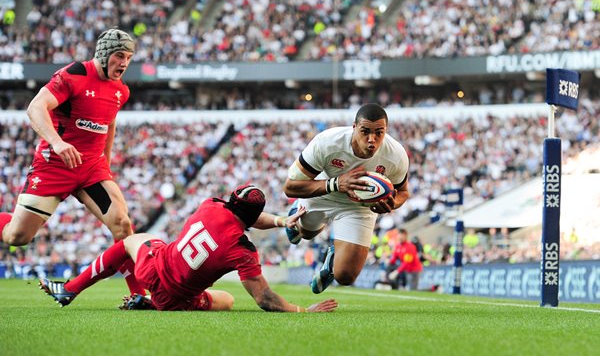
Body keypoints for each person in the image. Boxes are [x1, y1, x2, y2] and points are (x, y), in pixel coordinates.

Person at [0, 28, 145, 295]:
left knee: (123, 224)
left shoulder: (121, 91)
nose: (124, 63)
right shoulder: (73, 75)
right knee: (17, 237)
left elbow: (108, 124)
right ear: (104, 54)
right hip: (54, 165)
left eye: (129, 57)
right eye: (119, 56)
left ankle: (138, 295)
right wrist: (57, 142)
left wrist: (106, 165)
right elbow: (35, 108)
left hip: (91, 168)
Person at [40, 185, 338, 313]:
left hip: (154, 266)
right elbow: (265, 298)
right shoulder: (242, 249)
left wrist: (280, 220)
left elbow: (245, 216)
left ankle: (73, 288)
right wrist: (301, 310)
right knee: (229, 301)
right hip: (176, 299)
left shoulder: (210, 204)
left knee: (130, 240)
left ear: (231, 201)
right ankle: (146, 301)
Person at [283, 103, 409, 294]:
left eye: (379, 133)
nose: (371, 140)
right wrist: (335, 184)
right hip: (323, 192)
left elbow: (403, 192)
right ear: (354, 127)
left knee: (345, 276)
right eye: (365, 131)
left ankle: (331, 261)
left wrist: (391, 204)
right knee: (307, 234)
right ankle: (298, 212)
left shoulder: (396, 155)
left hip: (358, 206)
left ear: (386, 131)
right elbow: (290, 187)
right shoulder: (327, 142)